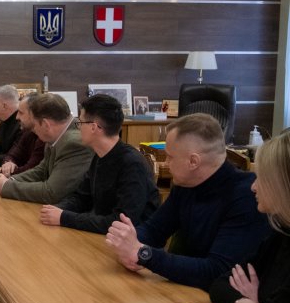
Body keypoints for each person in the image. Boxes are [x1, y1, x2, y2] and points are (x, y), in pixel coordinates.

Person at [106, 113, 270, 291]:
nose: (166, 163)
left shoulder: (247, 197)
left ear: (193, 161)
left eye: (170, 157)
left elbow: (216, 272)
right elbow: (154, 230)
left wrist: (143, 254)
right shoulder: (187, 183)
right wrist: (127, 242)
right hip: (186, 290)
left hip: (222, 299)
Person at [209, 130, 290, 303]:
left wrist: (256, 300)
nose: (253, 187)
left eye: (262, 178)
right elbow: (220, 284)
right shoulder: (282, 234)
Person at [39, 94, 160, 234]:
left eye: (80, 123)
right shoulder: (99, 156)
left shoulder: (132, 164)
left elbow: (120, 222)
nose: (78, 128)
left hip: (133, 241)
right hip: (104, 235)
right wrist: (57, 209)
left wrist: (64, 217)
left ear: (93, 127)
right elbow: (82, 197)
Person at [0, 93, 93, 204]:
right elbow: (41, 171)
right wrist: (10, 180)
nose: (33, 130)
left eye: (34, 125)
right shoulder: (55, 135)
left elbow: (52, 192)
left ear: (45, 124)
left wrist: (6, 187)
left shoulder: (74, 143)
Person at [0, 93, 46, 176]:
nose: (17, 117)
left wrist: (3, 172)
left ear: (34, 115)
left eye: (21, 113)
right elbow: (12, 154)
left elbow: (32, 170)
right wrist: (8, 163)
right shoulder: (27, 132)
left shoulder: (45, 137)